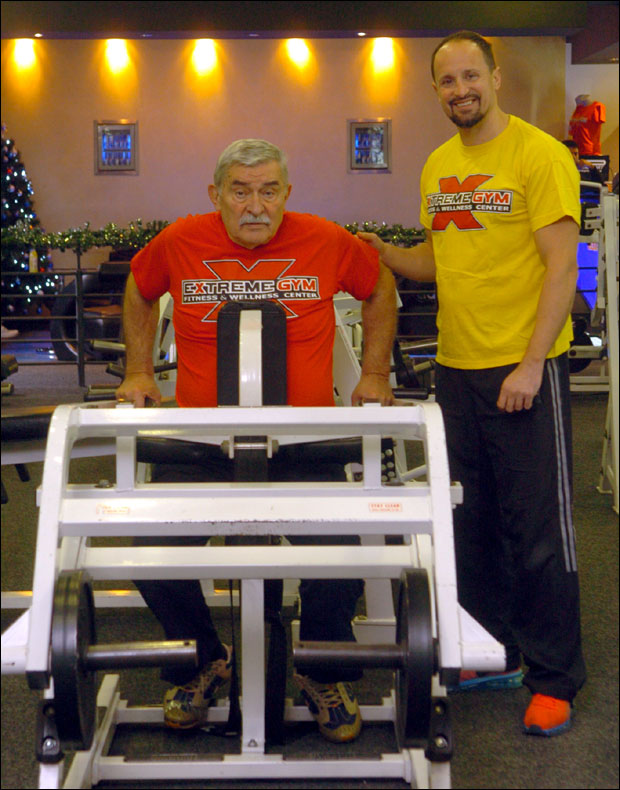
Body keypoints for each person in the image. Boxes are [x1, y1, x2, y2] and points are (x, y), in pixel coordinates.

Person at [116, 138, 396, 743]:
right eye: (240, 191)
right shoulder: (181, 240)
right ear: (215, 194)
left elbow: (379, 287)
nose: (255, 206)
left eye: (269, 191)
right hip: (205, 442)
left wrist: (374, 373)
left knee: (343, 549)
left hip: (301, 440)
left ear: (286, 194)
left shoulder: (323, 238)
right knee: (150, 551)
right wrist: (139, 370)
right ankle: (203, 662)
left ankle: (320, 669)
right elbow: (140, 289)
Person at [359, 31, 586, 738]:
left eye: (470, 75)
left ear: (494, 76)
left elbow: (562, 266)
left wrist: (532, 362)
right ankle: (497, 651)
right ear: (436, 91)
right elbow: (440, 260)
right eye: (447, 80)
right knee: (470, 519)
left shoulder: (538, 155)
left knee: (538, 530)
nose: (461, 89)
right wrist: (383, 253)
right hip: (456, 370)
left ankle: (554, 677)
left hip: (525, 368)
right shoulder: (438, 165)